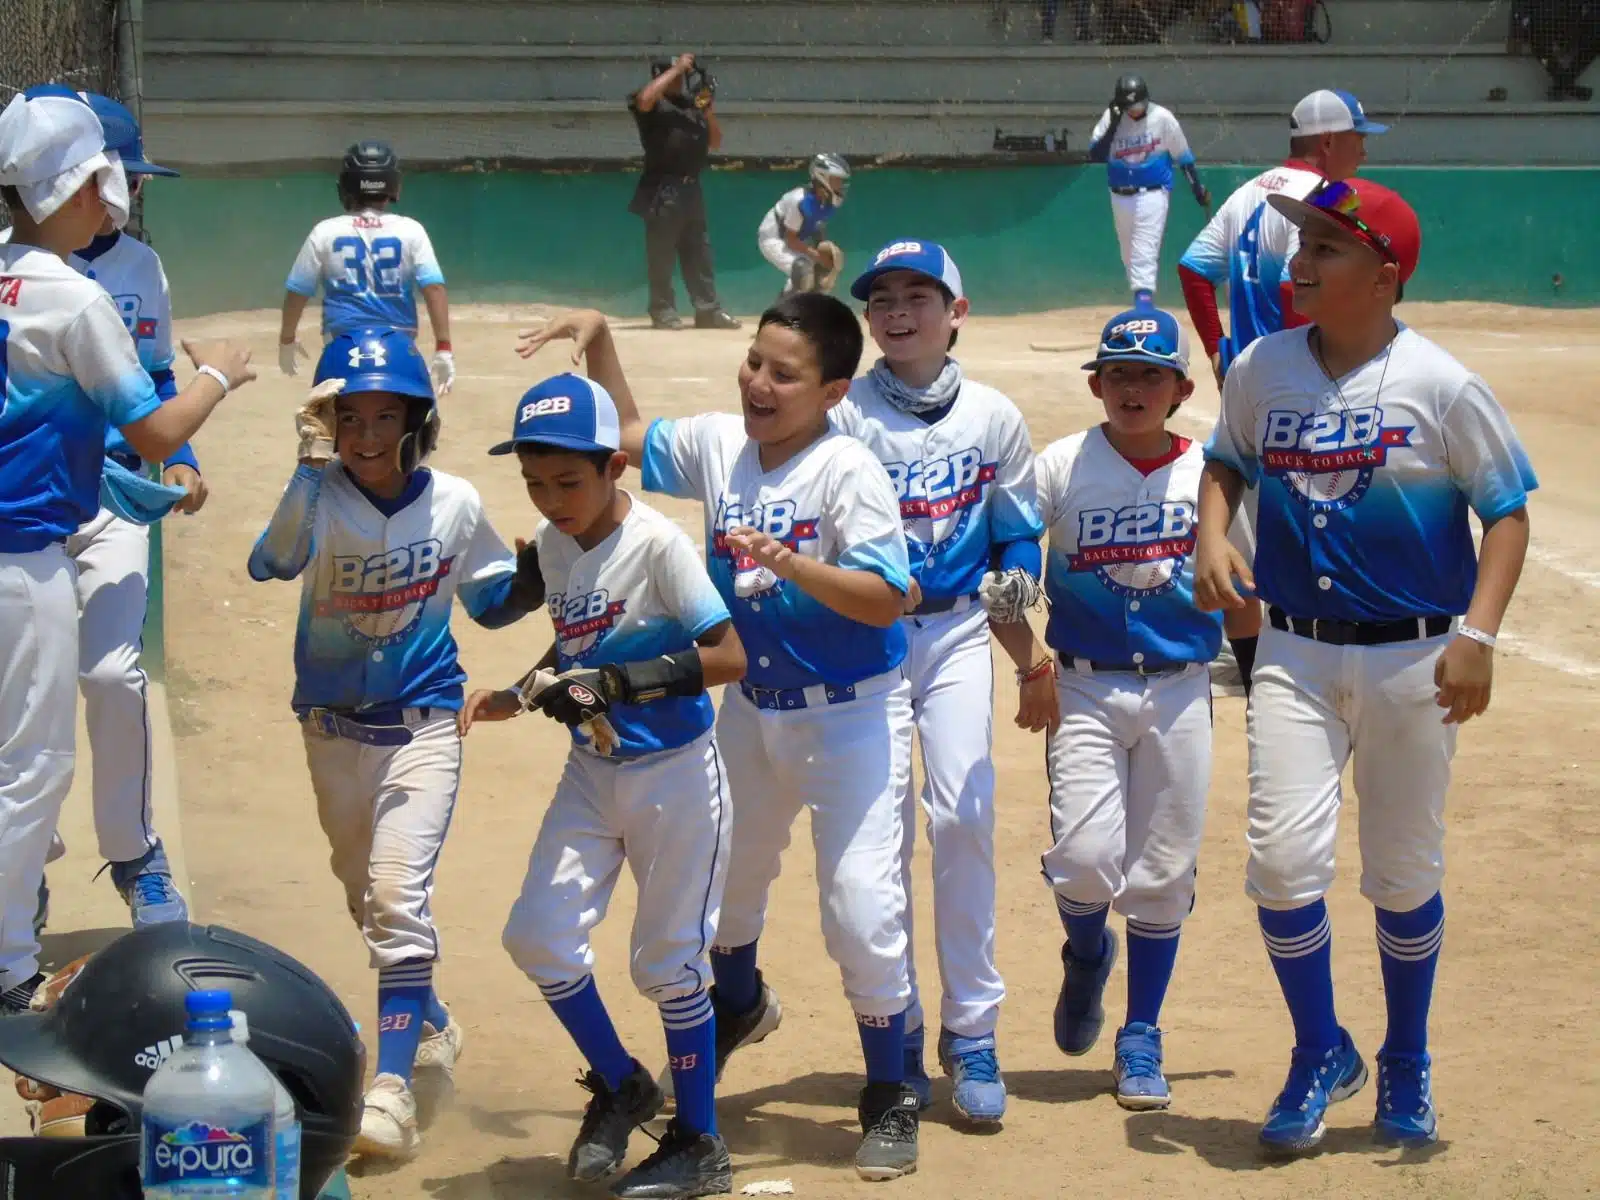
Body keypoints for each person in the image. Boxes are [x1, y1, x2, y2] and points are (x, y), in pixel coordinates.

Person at [520, 297, 923, 1181]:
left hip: (852, 713)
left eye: (784, 373)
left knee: (859, 911)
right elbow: (623, 432)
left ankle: (891, 1089)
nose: (759, 383)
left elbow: (889, 598)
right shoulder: (720, 446)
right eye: (753, 361)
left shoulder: (847, 468)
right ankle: (738, 1008)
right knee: (725, 903)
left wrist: (791, 566)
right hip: (749, 712)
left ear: (832, 391)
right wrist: (602, 337)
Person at [1193, 178, 1537, 1152]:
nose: (1297, 260)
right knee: (1280, 863)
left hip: (1415, 661)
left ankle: (1407, 1056)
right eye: (1298, 242)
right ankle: (1318, 1051)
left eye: (1326, 248)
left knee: (1400, 869)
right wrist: (1212, 532)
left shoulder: (1440, 384)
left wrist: (1475, 639)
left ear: (1384, 275)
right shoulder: (1261, 366)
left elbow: (1506, 512)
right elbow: (1227, 459)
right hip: (1294, 653)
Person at [246, 328, 543, 1158]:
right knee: (363, 896)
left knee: (396, 896)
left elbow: (488, 603)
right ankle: (434, 1024)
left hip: (422, 726)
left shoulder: (452, 502)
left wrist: (535, 574)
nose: (367, 436)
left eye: (387, 417)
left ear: (420, 423)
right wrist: (307, 466)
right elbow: (274, 561)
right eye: (349, 418)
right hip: (332, 734)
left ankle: (392, 1091)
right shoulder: (322, 492)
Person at [461, 371, 746, 1199]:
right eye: (536, 483)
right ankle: (624, 1084)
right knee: (537, 936)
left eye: (569, 481)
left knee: (668, 964)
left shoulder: (658, 544)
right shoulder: (555, 546)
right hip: (594, 771)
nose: (552, 499)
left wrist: (618, 684)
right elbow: (575, 644)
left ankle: (701, 1144)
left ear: (615, 467)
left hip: (677, 778)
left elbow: (728, 655)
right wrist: (519, 692)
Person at [1, 86, 250, 1013]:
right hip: (37, 521)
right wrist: (218, 379)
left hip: (101, 504)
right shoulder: (53, 283)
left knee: (110, 677)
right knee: (29, 751)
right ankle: (14, 915)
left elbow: (148, 390)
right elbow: (154, 408)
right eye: (117, 177)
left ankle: (133, 856)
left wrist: (180, 461)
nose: (127, 194)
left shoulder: (139, 266)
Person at [833, 240, 1046, 1125]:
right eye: (881, 296)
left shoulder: (994, 416)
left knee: (961, 815)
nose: (898, 310)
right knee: (876, 841)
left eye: (921, 294)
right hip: (871, 637)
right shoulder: (844, 416)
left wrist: (1018, 585)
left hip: (959, 629)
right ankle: (902, 1025)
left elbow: (1020, 533)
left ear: (957, 313)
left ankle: (975, 1026)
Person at [1005, 305, 1222, 1112]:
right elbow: (1017, 563)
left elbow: (1246, 581)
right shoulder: (1060, 466)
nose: (1135, 388)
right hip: (1086, 682)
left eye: (1152, 375)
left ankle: (1142, 1033)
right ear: (1097, 384)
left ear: (1180, 387)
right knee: (1088, 859)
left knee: (1162, 873)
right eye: (1120, 374)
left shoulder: (1210, 473)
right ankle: (1088, 952)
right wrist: (1025, 643)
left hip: (1180, 683)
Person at [1178, 88, 1387, 387]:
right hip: (1291, 382)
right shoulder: (1334, 195)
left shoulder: (1249, 189)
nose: (1364, 153)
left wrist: (1214, 350)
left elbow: (1192, 270)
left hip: (1244, 377)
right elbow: (1296, 288)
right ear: (1328, 141)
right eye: (1359, 140)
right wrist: (1307, 369)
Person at [277, 140, 456, 395]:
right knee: (412, 412)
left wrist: (286, 338)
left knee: (329, 417)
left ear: (346, 185)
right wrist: (444, 347)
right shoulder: (411, 230)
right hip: (397, 345)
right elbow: (434, 288)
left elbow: (298, 290)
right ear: (393, 185)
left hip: (342, 343)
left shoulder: (325, 231)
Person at [628, 54, 740, 331]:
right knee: (661, 254)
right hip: (663, 188)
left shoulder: (692, 108)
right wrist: (677, 68)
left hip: (692, 188)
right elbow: (644, 99)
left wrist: (708, 111)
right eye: (677, 76)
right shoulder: (654, 104)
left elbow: (715, 141)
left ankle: (707, 310)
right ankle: (662, 311)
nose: (682, 80)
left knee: (699, 253)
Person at [1087, 74, 1209, 307]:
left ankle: (1144, 308)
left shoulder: (1162, 118)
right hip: (1119, 192)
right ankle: (1141, 300)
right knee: (1128, 255)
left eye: (1139, 104)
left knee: (1145, 249)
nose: (1135, 110)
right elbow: (1095, 155)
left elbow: (1183, 157)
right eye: (1129, 106)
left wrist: (1197, 189)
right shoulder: (1112, 118)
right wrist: (1113, 124)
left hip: (1153, 191)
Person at [757, 152, 849, 298]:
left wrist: (825, 260)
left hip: (792, 239)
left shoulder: (824, 203)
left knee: (818, 274)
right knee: (802, 269)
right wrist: (817, 256)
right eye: (836, 180)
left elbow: (817, 230)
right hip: (773, 238)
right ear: (822, 178)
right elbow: (790, 239)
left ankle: (807, 313)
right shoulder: (799, 201)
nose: (841, 185)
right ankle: (782, 314)